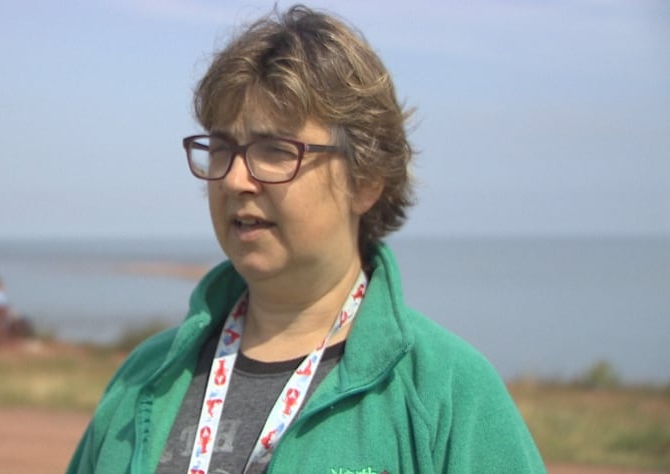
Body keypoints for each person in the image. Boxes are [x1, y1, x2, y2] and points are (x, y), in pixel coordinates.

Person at [68, 5, 545, 473]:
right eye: (220, 149)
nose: (235, 180)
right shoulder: (145, 378)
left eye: (275, 150)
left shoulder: (447, 393)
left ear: (365, 179)